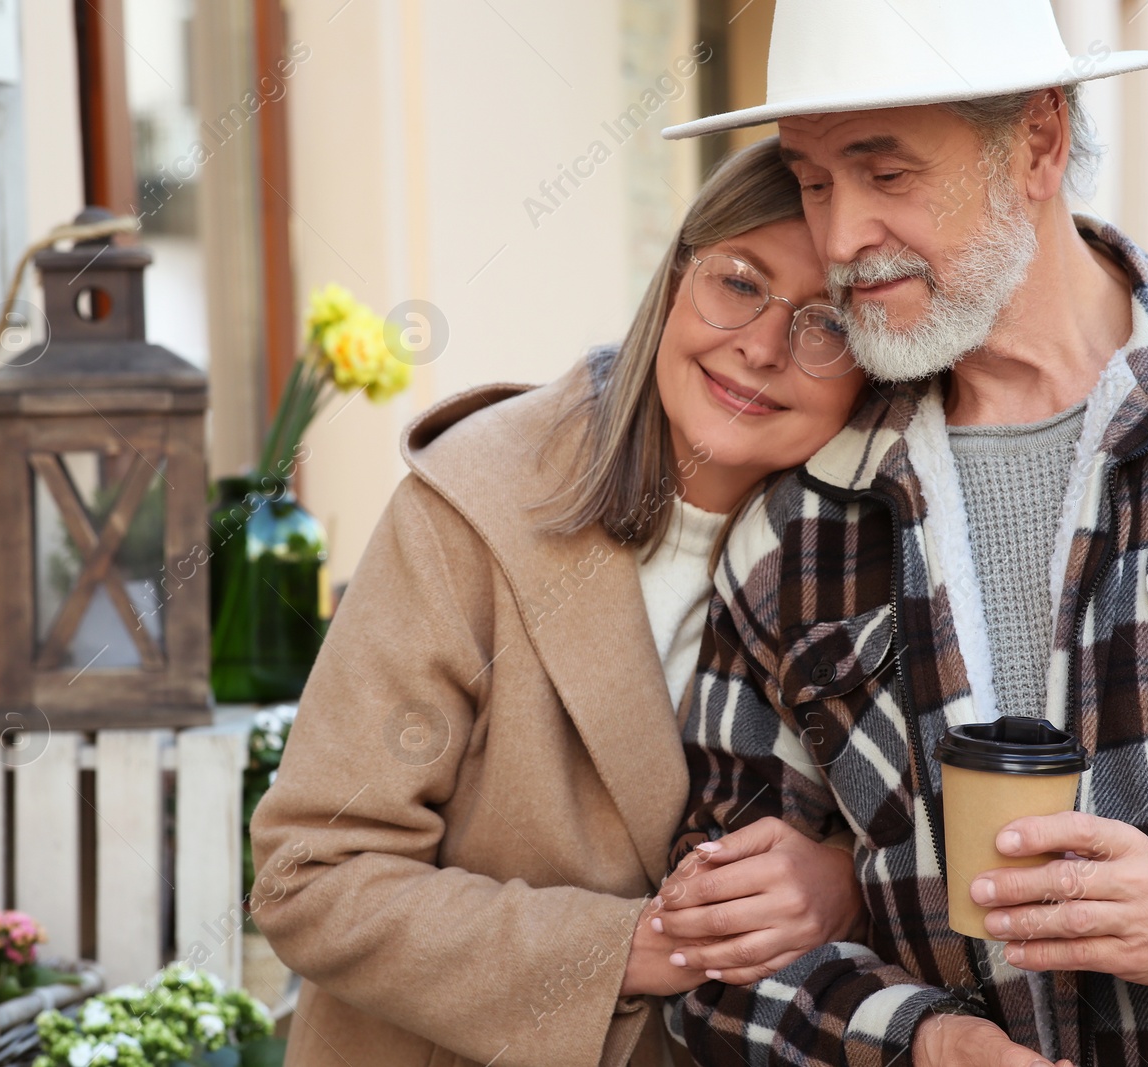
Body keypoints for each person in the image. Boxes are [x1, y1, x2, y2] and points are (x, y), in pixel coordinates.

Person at [654, 3, 1148, 1067]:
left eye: (888, 175)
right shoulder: (798, 525)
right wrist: (923, 1042)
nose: (836, 239)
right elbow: (715, 969)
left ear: (1039, 144)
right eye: (814, 179)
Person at [248, 138, 871, 1067]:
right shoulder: (472, 504)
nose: (763, 345)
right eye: (738, 282)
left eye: (826, 324)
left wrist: (849, 884)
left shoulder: (890, 550)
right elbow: (313, 874)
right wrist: (638, 946)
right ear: (673, 279)